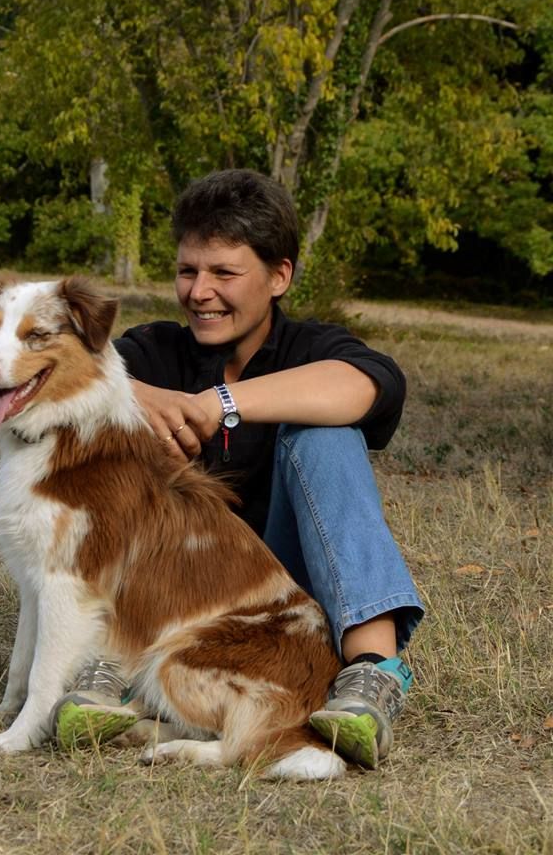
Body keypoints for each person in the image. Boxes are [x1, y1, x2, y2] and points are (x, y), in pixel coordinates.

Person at [52, 169, 424, 769]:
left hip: (285, 598)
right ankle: (115, 663)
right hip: (171, 599)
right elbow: (66, 374)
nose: (200, 291)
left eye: (224, 273)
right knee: (110, 432)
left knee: (325, 436)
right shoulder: (156, 351)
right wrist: (141, 398)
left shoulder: (312, 348)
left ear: (280, 276)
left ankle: (369, 679)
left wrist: (219, 403)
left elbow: (366, 386)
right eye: (187, 271)